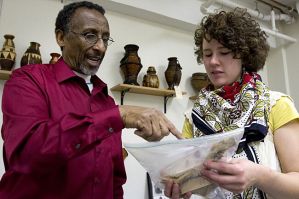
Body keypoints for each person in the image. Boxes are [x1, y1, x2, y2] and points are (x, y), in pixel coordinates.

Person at [0, 1, 182, 198]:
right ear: (61, 37)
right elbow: (26, 155)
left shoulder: (105, 100)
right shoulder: (28, 80)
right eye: (90, 36)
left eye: (105, 38)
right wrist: (116, 116)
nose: (101, 47)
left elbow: (115, 178)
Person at [164, 8, 299, 199]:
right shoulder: (194, 118)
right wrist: (181, 188)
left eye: (224, 52)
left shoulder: (276, 105)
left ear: (244, 54)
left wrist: (260, 176)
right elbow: (195, 184)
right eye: (207, 54)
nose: (213, 61)